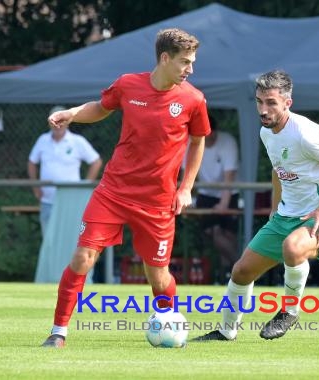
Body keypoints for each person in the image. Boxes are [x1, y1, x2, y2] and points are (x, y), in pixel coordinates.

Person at [41, 28, 210, 348]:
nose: (191, 69)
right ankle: (58, 332)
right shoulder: (128, 84)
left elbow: (198, 140)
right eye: (185, 62)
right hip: (113, 192)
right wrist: (73, 114)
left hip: (158, 201)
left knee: (158, 277)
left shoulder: (193, 99)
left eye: (192, 62)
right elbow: (102, 107)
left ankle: (168, 325)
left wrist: (186, 187)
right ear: (164, 58)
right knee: (82, 258)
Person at [194, 70, 319, 341]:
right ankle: (226, 332)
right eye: (259, 101)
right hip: (286, 215)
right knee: (241, 271)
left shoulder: (306, 133)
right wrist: (275, 208)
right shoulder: (267, 132)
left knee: (293, 248)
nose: (263, 109)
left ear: (287, 103)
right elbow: (278, 170)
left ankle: (289, 312)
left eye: (271, 102)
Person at [28, 105, 103, 237]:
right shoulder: (42, 140)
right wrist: (35, 187)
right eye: (55, 120)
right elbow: (31, 163)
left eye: (61, 120)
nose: (58, 124)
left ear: (67, 121)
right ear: (49, 122)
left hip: (71, 202)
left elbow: (96, 161)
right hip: (47, 201)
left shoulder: (77, 141)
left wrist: (85, 185)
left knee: (71, 240)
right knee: (48, 242)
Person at [193, 114, 240, 281]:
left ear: (215, 130)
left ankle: (230, 276)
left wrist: (224, 203)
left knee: (228, 236)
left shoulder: (228, 143)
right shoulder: (191, 141)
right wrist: (186, 199)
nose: (207, 139)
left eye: (209, 134)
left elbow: (230, 176)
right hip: (205, 194)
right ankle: (244, 270)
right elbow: (187, 174)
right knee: (214, 232)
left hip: (229, 193)